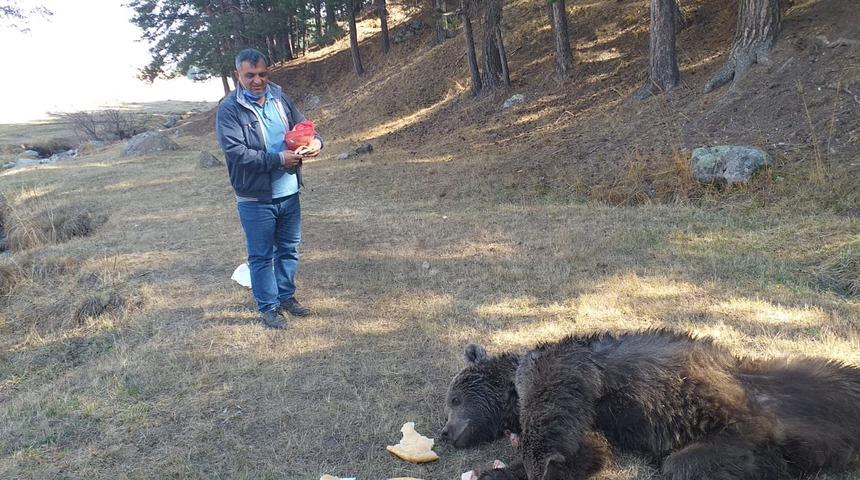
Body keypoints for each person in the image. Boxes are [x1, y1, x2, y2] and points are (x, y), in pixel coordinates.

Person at [216, 48, 322, 329]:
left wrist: (315, 142)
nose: (257, 80)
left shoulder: (279, 97)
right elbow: (237, 153)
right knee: (261, 256)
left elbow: (304, 126)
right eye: (250, 75)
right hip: (255, 197)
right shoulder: (229, 109)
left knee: (288, 249)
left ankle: (286, 297)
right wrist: (278, 159)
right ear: (237, 75)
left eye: (262, 74)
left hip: (288, 191)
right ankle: (269, 308)